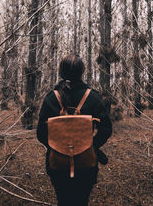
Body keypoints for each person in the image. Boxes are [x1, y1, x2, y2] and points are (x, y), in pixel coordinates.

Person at [37, 54, 112, 206]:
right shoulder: (93, 97)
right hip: (86, 164)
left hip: (58, 165)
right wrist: (90, 146)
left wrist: (58, 147)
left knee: (63, 201)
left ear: (61, 72)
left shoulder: (51, 98)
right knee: (82, 201)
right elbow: (106, 129)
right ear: (81, 72)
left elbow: (41, 133)